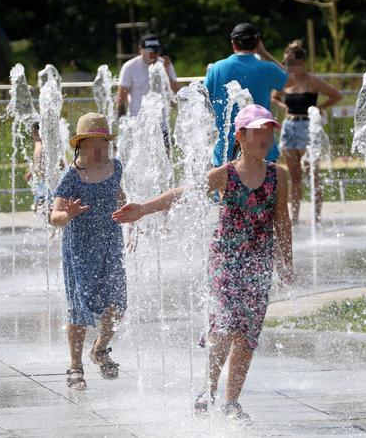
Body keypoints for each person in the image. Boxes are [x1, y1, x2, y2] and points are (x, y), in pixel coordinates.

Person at [113, 105, 295, 422]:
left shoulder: (279, 175)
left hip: (259, 263)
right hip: (225, 260)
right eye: (257, 131)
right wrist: (143, 208)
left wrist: (287, 262)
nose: (264, 137)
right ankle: (208, 389)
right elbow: (183, 193)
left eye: (268, 130)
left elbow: (283, 219)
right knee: (224, 325)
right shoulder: (225, 174)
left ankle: (231, 401)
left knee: (247, 333)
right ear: (240, 136)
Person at [49, 113, 128, 390]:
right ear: (80, 145)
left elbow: (119, 196)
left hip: (110, 244)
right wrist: (66, 214)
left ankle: (100, 349)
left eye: (103, 143)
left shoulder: (115, 167)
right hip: (80, 249)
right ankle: (75, 366)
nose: (100, 150)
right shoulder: (71, 176)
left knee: (118, 304)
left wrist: (128, 211)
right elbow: (54, 216)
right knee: (80, 309)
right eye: (93, 144)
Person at [272, 40, 342, 224]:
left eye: (290, 62)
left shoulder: (312, 80)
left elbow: (336, 95)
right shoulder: (285, 81)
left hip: (307, 127)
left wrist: (320, 107)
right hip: (289, 126)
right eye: (285, 62)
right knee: (294, 177)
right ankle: (294, 218)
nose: (287, 66)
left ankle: (317, 218)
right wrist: (283, 106)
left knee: (312, 174)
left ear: (301, 62)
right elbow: (274, 97)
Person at [204, 23, 288, 166]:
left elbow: (204, 101)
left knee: (225, 187)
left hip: (225, 147)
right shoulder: (268, 68)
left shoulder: (216, 68)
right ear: (257, 43)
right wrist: (265, 53)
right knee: (264, 187)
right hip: (262, 146)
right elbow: (292, 79)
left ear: (233, 43)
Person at [116, 33, 180, 118]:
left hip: (161, 120)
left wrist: (166, 74)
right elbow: (121, 98)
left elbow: (176, 93)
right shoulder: (129, 67)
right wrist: (121, 123)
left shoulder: (165, 65)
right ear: (140, 49)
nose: (154, 55)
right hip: (137, 120)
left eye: (156, 51)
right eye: (150, 51)